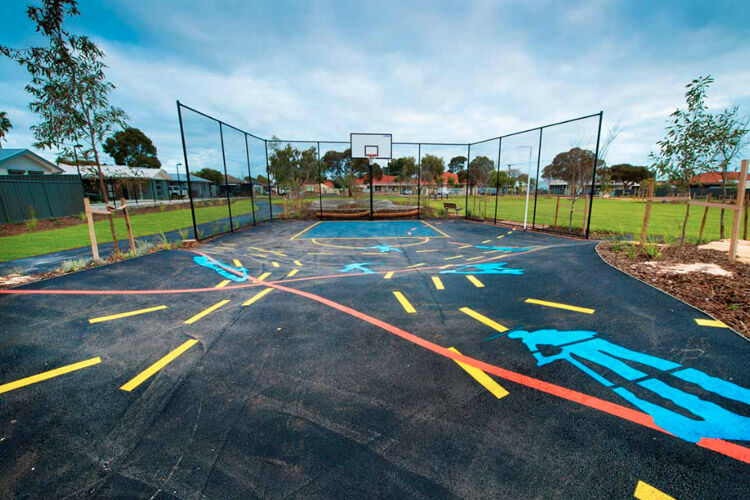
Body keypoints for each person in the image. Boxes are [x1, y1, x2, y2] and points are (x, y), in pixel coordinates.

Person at [507, 329, 750, 443]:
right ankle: (716, 397)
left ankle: (691, 407)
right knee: (640, 363)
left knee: (626, 375)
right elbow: (575, 333)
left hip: (583, 348)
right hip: (591, 341)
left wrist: (550, 357)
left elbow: (540, 356)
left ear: (518, 336)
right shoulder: (540, 333)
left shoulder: (533, 338)